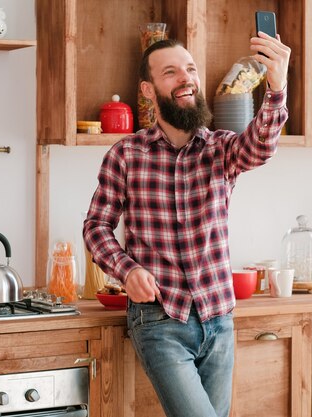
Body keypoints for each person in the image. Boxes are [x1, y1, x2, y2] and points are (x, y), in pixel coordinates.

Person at [83, 31, 290, 417]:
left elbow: (261, 146)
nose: (186, 78)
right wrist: (127, 271)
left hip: (219, 319)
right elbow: (96, 226)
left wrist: (276, 87)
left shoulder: (222, 149)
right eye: (171, 72)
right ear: (148, 89)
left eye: (190, 69)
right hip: (160, 321)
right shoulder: (126, 154)